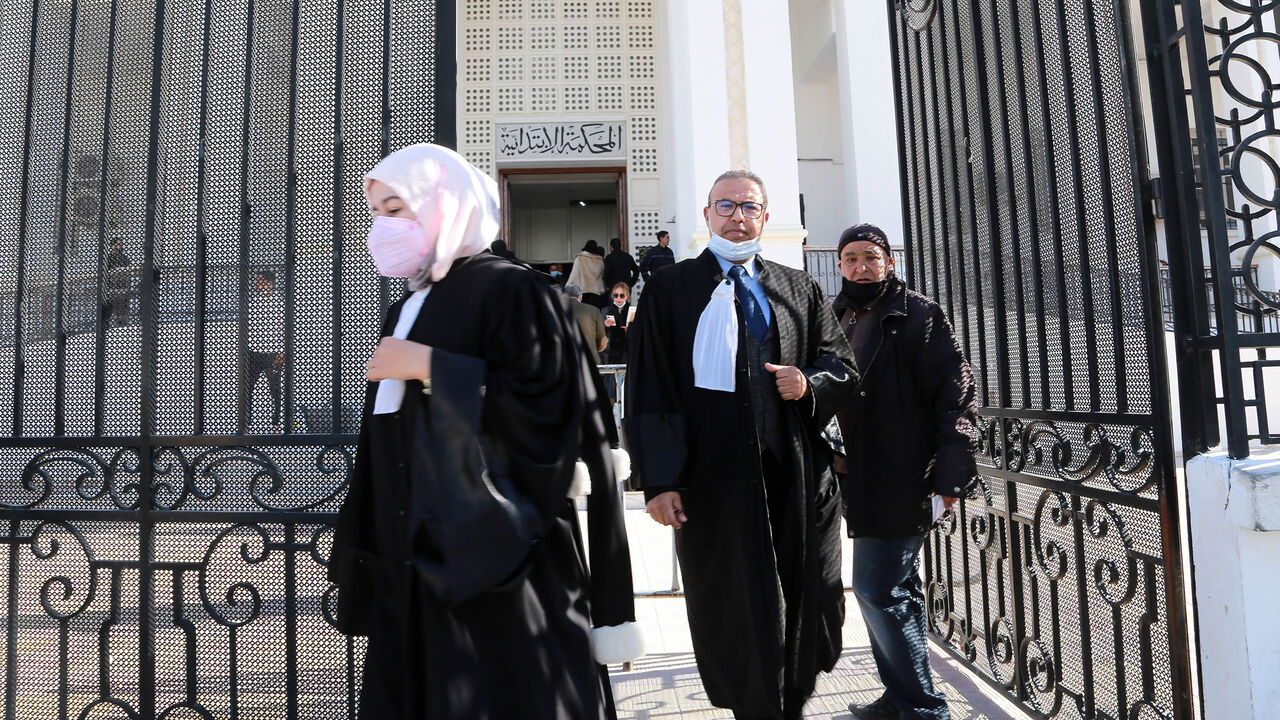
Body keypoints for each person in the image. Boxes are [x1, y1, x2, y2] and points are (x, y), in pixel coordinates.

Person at [329, 144, 642, 720]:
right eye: (378, 212)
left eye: (398, 209)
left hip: (502, 566)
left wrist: (429, 367)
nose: (383, 227)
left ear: (445, 207)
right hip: (421, 558)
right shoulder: (414, 301)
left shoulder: (512, 290)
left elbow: (548, 407)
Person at [626, 170, 857, 720]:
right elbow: (649, 388)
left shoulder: (797, 286)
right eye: (724, 205)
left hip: (795, 472)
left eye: (748, 206)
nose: (737, 216)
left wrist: (809, 383)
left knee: (807, 588)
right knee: (731, 596)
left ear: (765, 216)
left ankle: (793, 699)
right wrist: (657, 481)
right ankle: (751, 705)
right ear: (706, 215)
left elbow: (842, 367)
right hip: (712, 481)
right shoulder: (670, 289)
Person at [830, 223, 977, 720]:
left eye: (870, 257)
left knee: (876, 588)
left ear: (888, 261)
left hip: (903, 473)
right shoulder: (836, 315)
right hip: (856, 474)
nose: (860, 266)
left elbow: (954, 397)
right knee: (900, 592)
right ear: (840, 265)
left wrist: (951, 474)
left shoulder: (919, 314)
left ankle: (922, 707)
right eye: (850, 258)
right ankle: (901, 698)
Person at [242, 269, 285, 432]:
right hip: (254, 354)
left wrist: (282, 352)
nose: (256, 285)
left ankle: (276, 424)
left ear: (270, 284)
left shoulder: (279, 305)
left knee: (275, 389)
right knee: (247, 388)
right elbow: (249, 330)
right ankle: (246, 425)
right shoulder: (253, 305)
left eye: (259, 281)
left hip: (273, 354)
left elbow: (283, 331)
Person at [566, 283, 609, 365]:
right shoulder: (593, 311)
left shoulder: (555, 310)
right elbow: (602, 341)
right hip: (589, 361)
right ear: (580, 297)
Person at [101, 236, 133, 327]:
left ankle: (121, 328)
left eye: (120, 244)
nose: (119, 246)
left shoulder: (125, 258)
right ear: (112, 246)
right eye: (117, 244)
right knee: (109, 310)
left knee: (122, 311)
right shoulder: (109, 258)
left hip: (123, 288)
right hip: (111, 288)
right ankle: (105, 327)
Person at [568, 240, 606, 307]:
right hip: (595, 291)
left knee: (583, 313)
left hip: (582, 290)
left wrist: (566, 286)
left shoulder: (579, 258)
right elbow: (602, 274)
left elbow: (573, 274)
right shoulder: (600, 260)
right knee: (594, 313)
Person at [601, 282, 631, 366]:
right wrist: (605, 326)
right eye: (616, 295)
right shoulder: (605, 311)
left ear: (627, 296)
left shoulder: (632, 311)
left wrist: (629, 329)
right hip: (610, 350)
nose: (618, 298)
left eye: (622, 295)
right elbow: (598, 332)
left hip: (627, 349)